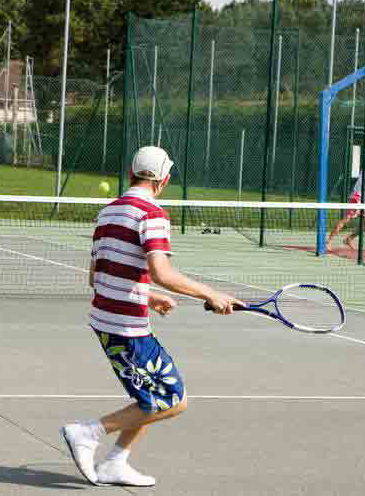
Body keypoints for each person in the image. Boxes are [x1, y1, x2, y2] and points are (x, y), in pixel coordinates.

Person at [60, 146, 244, 487]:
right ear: (164, 180)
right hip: (126, 330)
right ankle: (87, 433)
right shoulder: (152, 214)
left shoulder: (108, 212)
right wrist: (212, 294)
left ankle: (116, 462)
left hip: (106, 320)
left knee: (148, 398)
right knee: (173, 400)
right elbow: (161, 271)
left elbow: (96, 277)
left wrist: (148, 296)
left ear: (132, 173)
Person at [326, 147, 365, 252]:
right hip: (357, 198)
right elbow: (362, 184)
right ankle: (328, 242)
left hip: (364, 200)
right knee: (346, 219)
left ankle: (349, 239)